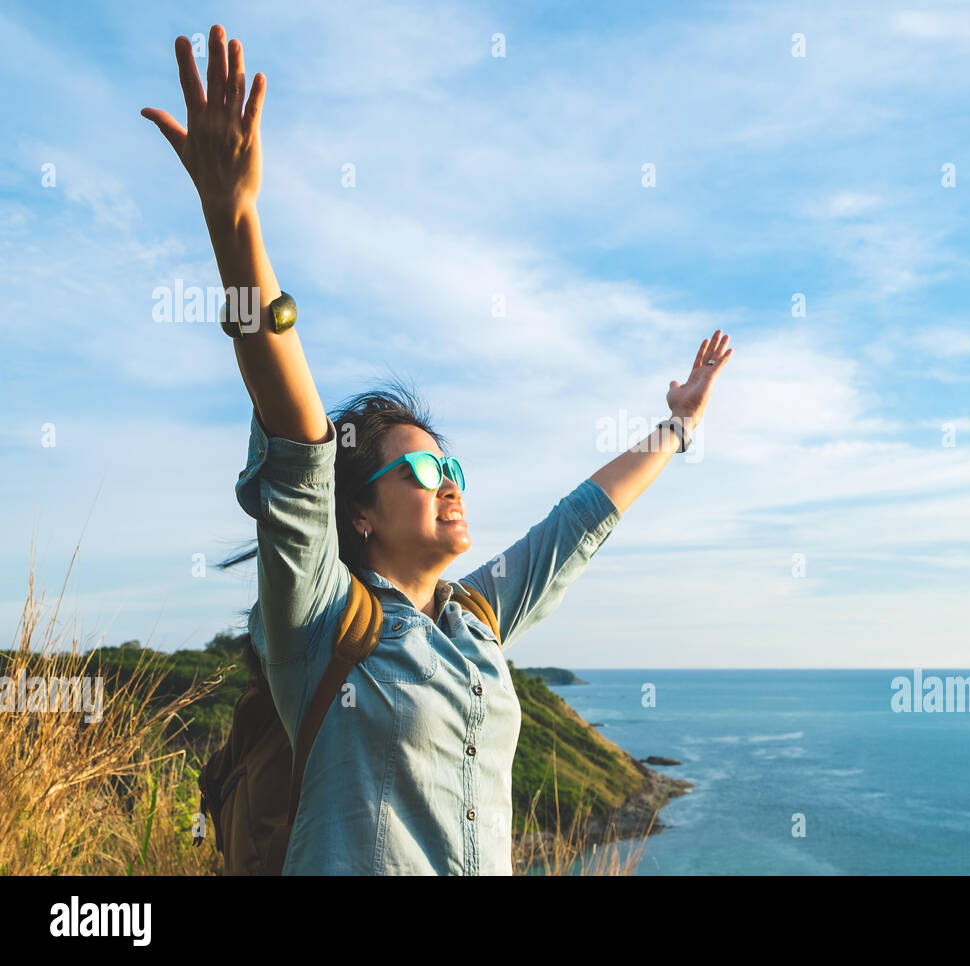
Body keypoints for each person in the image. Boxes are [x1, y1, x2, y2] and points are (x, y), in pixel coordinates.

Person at [142, 24, 733, 874]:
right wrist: (235, 223)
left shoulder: (478, 621)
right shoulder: (319, 620)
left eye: (452, 467)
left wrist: (678, 428)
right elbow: (294, 427)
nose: (449, 483)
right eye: (422, 470)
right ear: (361, 513)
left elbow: (579, 522)